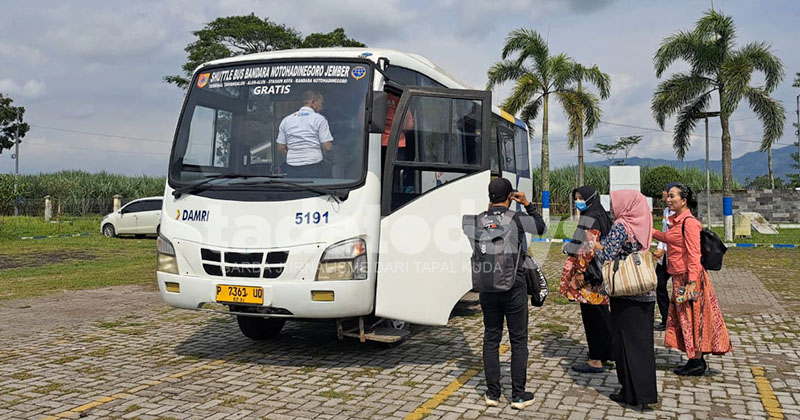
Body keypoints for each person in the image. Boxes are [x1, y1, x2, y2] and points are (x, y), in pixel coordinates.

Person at [479, 177, 546, 409]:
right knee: (518, 340)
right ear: (511, 197)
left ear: (489, 197)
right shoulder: (516, 218)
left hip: (487, 285)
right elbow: (540, 228)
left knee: (491, 338)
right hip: (514, 285)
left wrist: (490, 211)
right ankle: (518, 394)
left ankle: (492, 393)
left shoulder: (478, 220)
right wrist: (527, 204)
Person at [652, 184, 731, 376]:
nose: (668, 200)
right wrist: (648, 230)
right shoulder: (677, 222)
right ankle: (694, 358)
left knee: (693, 319)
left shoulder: (689, 223)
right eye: (668, 196)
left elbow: (695, 255)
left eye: (672, 196)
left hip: (689, 279)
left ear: (684, 200)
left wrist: (692, 283)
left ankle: (696, 360)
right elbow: (667, 238)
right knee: (686, 319)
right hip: (680, 277)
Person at [595, 190, 658, 409]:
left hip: (626, 290)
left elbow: (607, 255)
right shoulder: (645, 222)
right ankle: (644, 393)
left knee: (624, 342)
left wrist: (596, 247)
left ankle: (629, 392)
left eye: (614, 204)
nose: (613, 208)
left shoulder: (622, 225)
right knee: (642, 344)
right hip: (646, 291)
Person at [560, 186, 614, 373]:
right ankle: (609, 352)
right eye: (576, 197)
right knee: (601, 314)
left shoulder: (591, 217)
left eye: (581, 198)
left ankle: (596, 359)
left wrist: (581, 271)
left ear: (591, 198)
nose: (578, 201)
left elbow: (589, 246)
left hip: (590, 276)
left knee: (593, 318)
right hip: (600, 274)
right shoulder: (600, 214)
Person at [276, 90, 333, 178]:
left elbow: (280, 148)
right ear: (313, 102)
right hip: (314, 166)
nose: (322, 107)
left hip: (292, 167)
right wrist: (330, 158)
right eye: (321, 104)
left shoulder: (286, 120)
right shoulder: (319, 119)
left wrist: (294, 156)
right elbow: (327, 147)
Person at [654, 183, 678, 331]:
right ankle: (666, 319)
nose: (667, 197)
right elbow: (664, 233)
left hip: (676, 258)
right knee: (659, 285)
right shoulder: (666, 211)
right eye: (667, 194)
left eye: (671, 195)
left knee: (678, 289)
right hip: (665, 257)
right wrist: (660, 248)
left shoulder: (682, 215)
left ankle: (679, 319)